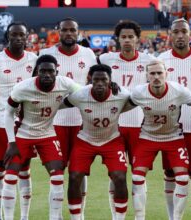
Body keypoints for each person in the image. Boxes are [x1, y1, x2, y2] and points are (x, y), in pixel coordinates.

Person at [3, 55, 80, 220]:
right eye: (43, 71)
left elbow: (84, 93)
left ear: (56, 72)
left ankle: (54, 217)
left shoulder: (64, 83)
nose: (46, 74)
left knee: (58, 176)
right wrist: (11, 142)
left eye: (50, 71)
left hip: (47, 134)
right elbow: (8, 113)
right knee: (10, 176)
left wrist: (111, 85)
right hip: (23, 133)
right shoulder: (23, 88)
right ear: (37, 72)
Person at [0, 21, 37, 220]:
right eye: (15, 35)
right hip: (2, 123)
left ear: (27, 36)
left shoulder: (34, 60)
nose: (19, 38)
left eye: (22, 35)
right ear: (8, 37)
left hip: (27, 125)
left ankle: (24, 216)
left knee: (24, 169)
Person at [39, 17, 97, 218]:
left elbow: (95, 83)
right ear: (59, 32)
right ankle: (55, 215)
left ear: (78, 32)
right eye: (65, 30)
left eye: (73, 30)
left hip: (82, 122)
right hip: (54, 123)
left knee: (79, 171)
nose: (69, 34)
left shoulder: (88, 54)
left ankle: (79, 215)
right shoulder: (46, 54)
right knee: (56, 172)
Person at [97, 20, 155, 219]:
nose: (128, 40)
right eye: (124, 37)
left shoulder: (149, 60)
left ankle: (140, 216)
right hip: (114, 127)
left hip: (141, 126)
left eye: (131, 37)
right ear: (118, 39)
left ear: (138, 39)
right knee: (116, 175)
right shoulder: (105, 60)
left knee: (139, 176)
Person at [158, 18, 191, 220]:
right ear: (170, 35)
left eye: (184, 32)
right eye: (176, 32)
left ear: (190, 34)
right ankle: (173, 217)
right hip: (170, 129)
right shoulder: (162, 58)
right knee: (171, 174)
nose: (180, 36)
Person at [64, 64, 134, 220]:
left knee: (120, 177)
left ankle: (119, 218)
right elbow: (58, 104)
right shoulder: (80, 95)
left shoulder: (122, 95)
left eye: (104, 80)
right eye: (96, 80)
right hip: (85, 140)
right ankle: (76, 218)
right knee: (74, 176)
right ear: (90, 80)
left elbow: (137, 100)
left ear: (110, 81)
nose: (100, 83)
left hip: (112, 140)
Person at [130, 60, 191, 220]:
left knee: (182, 177)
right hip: (147, 137)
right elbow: (122, 104)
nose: (156, 76)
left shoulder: (179, 91)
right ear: (146, 76)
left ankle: (176, 218)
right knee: (137, 177)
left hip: (174, 137)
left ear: (166, 74)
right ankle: (140, 217)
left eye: (160, 73)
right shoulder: (138, 93)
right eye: (152, 73)